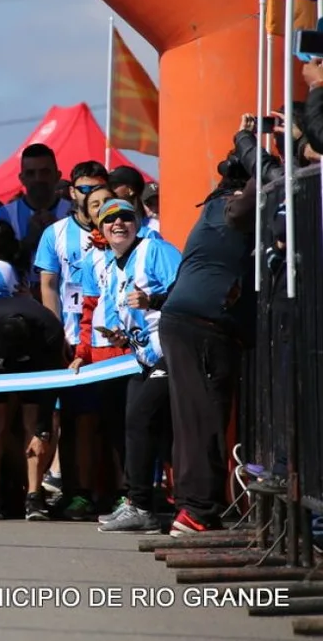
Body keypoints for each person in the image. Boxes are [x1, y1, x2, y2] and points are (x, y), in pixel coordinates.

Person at [156, 145, 259, 536]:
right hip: (202, 324)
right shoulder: (229, 206)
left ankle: (196, 506)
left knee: (196, 418)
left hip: (195, 322)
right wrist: (257, 153)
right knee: (203, 418)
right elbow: (251, 200)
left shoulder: (215, 207)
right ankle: (196, 509)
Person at [76, 199, 181, 533]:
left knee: (142, 419)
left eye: (126, 217)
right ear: (101, 229)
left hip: (175, 353)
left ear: (137, 223)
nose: (118, 223)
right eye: (110, 219)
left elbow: (187, 290)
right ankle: (144, 504)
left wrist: (154, 301)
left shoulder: (154, 250)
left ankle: (146, 504)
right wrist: (123, 336)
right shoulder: (108, 265)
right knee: (138, 423)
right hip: (145, 358)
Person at [32, 161, 110, 519]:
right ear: (71, 192)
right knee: (74, 418)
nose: (91, 196)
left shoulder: (117, 225)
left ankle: (113, 490)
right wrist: (56, 331)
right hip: (71, 339)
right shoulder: (56, 233)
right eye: (84, 189)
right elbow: (48, 284)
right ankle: (75, 491)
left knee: (110, 418)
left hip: (111, 338)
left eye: (97, 188)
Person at [0, 264, 63, 522]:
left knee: (34, 425)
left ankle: (33, 494)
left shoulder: (49, 330)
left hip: (36, 365)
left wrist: (42, 429)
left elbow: (49, 388)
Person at [0, 144, 72, 260]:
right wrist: (28, 241)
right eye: (31, 173)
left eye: (44, 172)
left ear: (57, 176)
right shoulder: (5, 215)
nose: (38, 179)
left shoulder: (73, 213)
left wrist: (60, 235)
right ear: (22, 179)